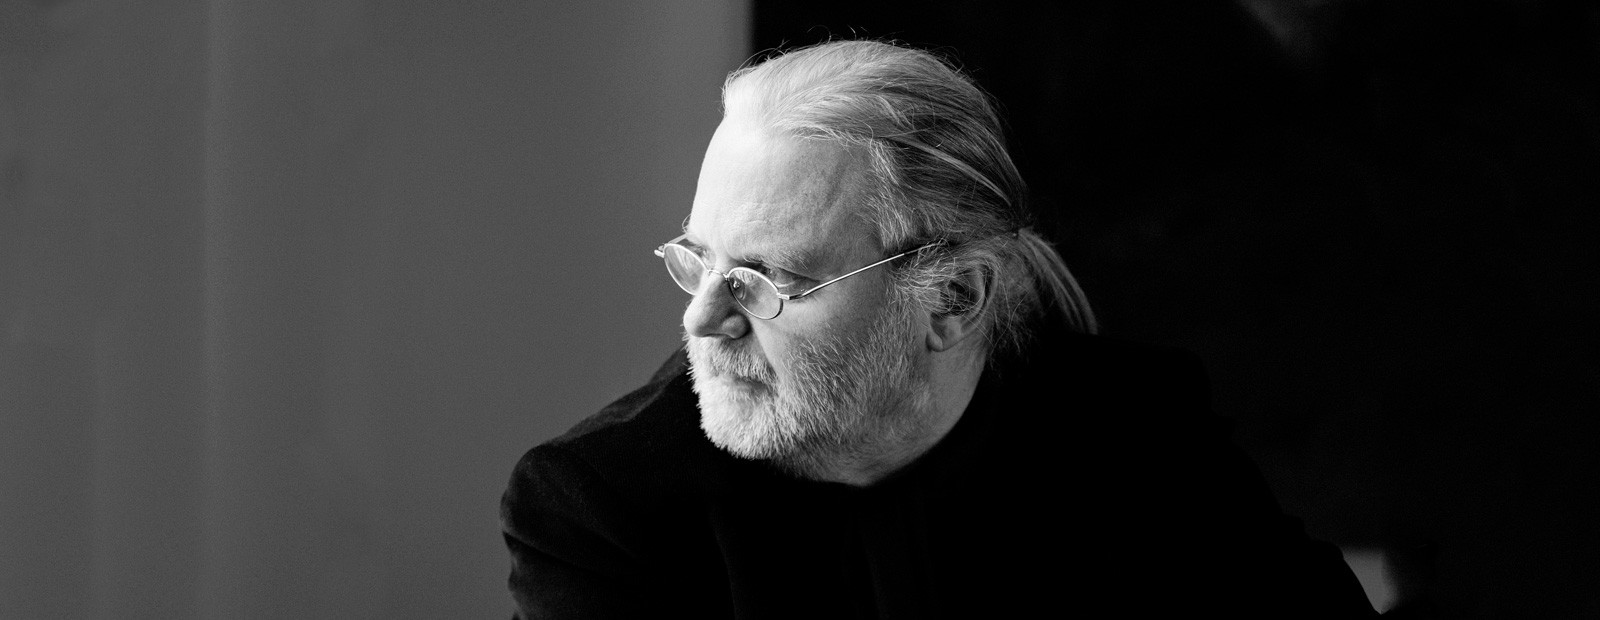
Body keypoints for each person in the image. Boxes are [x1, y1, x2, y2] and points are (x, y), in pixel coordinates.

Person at [501, 40, 1377, 618]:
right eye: (698, 260)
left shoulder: (1139, 429)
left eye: (766, 281)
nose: (702, 318)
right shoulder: (598, 508)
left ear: (952, 298)